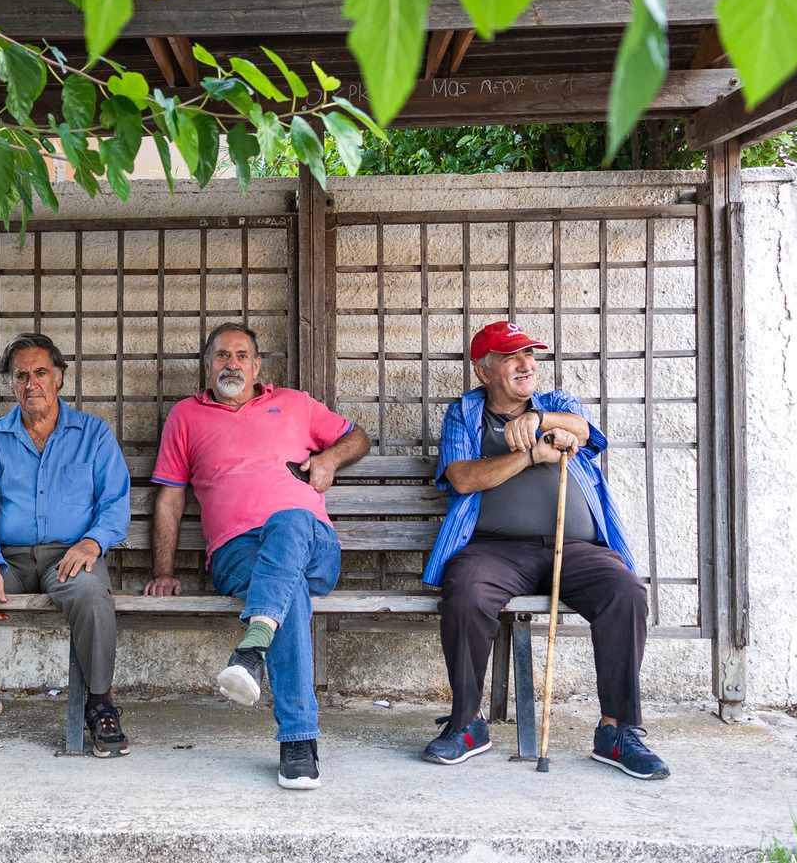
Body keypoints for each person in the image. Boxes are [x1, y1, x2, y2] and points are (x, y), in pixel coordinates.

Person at [422, 322, 667, 779]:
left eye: (530, 355)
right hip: (493, 549)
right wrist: (530, 455)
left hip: (573, 546)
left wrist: (540, 421)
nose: (526, 364)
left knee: (625, 592)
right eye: (511, 356)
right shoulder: (465, 413)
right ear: (484, 370)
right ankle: (467, 723)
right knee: (466, 593)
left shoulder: (555, 403)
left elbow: (583, 429)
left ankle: (618, 731)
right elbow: (461, 478)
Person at [145, 321, 370, 791]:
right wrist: (162, 570)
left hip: (312, 544)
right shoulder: (186, 416)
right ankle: (298, 740)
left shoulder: (295, 404)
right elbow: (169, 497)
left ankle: (252, 649)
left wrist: (328, 460)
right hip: (236, 553)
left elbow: (358, 437)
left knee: (289, 520)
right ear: (207, 366)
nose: (232, 364)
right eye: (222, 356)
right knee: (289, 598)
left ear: (257, 365)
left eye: (242, 355)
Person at [0, 333, 132, 756]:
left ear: (58, 378)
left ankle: (99, 702)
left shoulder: (93, 434)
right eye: (21, 376)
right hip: (9, 561)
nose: (31, 383)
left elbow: (115, 502)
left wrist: (92, 542)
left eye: (40, 373)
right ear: (11, 384)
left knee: (93, 599)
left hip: (69, 557)